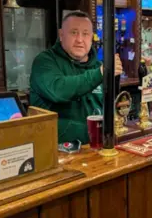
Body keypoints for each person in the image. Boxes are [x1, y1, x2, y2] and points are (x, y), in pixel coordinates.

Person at [30, 11, 123, 144]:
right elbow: (58, 90)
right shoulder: (44, 62)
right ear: (61, 35)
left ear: (92, 37)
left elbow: (111, 105)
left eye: (85, 34)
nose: (80, 39)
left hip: (96, 146)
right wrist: (100, 74)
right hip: (56, 151)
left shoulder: (98, 66)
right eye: (74, 32)